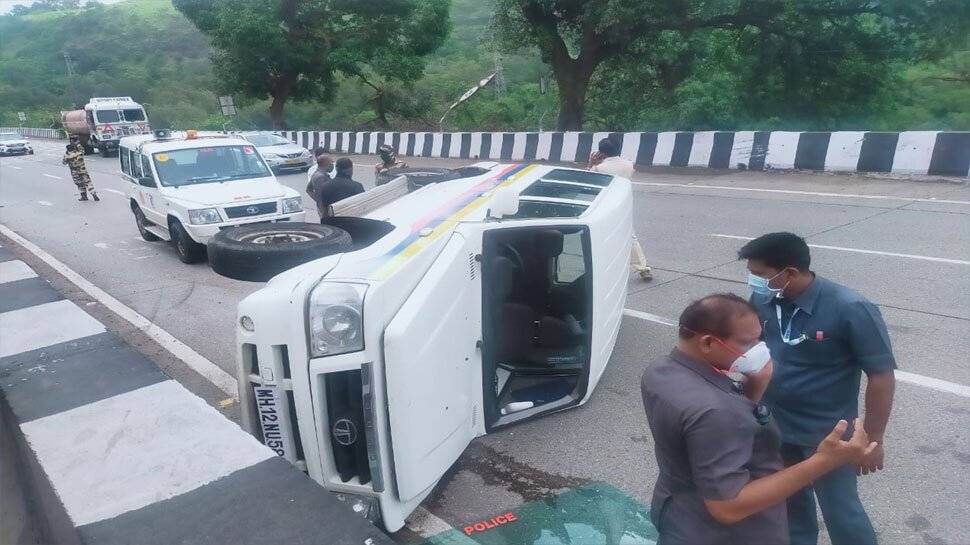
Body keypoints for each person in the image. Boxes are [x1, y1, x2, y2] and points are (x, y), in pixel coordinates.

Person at [641, 293, 878, 545]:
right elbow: (727, 506)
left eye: (759, 339)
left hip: (678, 513)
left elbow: (708, 438)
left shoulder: (659, 371)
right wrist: (824, 460)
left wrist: (753, 391)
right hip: (725, 535)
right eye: (747, 343)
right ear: (708, 343)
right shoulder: (715, 411)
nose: (759, 351)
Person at [738, 232, 896, 545]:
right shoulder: (764, 299)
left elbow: (881, 376)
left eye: (760, 275)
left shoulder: (851, 308)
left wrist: (874, 439)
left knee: (842, 513)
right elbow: (754, 350)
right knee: (791, 506)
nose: (754, 282)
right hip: (776, 426)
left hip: (829, 434)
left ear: (790, 273)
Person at [589, 137, 651, 280]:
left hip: (604, 207)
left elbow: (587, 181)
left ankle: (603, 269)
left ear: (601, 152)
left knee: (600, 238)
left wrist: (591, 164)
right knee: (631, 237)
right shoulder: (629, 165)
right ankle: (643, 268)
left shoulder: (598, 168)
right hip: (623, 203)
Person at [62, 136, 98, 201]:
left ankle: (84, 196)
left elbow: (64, 163)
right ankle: (94, 194)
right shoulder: (79, 153)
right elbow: (82, 150)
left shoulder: (67, 156)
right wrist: (78, 143)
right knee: (88, 182)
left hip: (75, 173)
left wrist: (66, 154)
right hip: (83, 171)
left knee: (80, 184)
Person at [306, 153, 334, 219]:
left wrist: (317, 200)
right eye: (331, 162)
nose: (332, 164)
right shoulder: (320, 177)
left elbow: (308, 190)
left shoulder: (316, 174)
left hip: (323, 208)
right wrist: (318, 201)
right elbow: (324, 196)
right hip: (325, 211)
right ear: (325, 163)